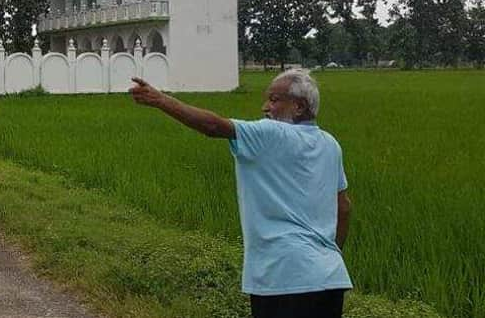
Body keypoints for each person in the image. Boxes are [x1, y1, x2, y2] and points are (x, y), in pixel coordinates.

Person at [129, 69, 352, 318]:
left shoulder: (271, 133)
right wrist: (331, 254)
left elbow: (213, 126)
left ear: (299, 107)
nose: (265, 107)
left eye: (274, 100)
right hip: (331, 278)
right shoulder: (330, 144)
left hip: (283, 277)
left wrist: (161, 100)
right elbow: (343, 207)